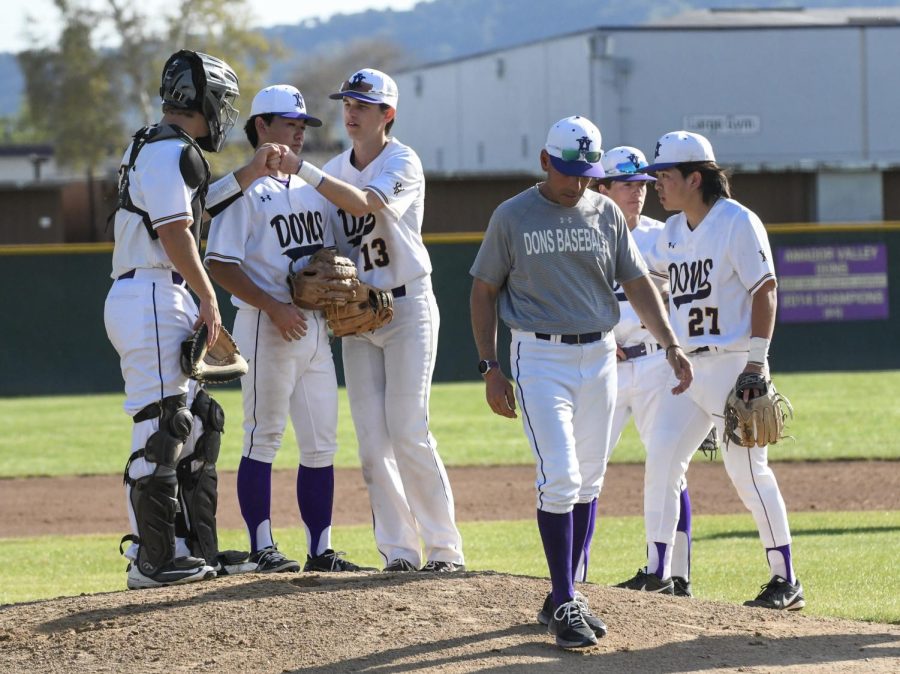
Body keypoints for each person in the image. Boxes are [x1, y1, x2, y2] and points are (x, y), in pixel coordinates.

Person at [208, 69, 465, 573]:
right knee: (369, 443)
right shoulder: (324, 173)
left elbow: (368, 204)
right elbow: (221, 218)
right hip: (350, 319)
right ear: (261, 126)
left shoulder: (394, 162)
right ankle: (397, 553)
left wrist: (301, 169)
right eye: (348, 102)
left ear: (387, 115)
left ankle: (444, 552)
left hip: (405, 303)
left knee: (408, 428)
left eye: (362, 105)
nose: (350, 112)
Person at [469, 116, 694, 648]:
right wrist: (489, 365)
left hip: (598, 353)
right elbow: (482, 291)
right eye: (569, 171)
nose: (577, 183)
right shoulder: (513, 215)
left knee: (590, 481)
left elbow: (638, 283)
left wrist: (670, 343)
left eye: (586, 173)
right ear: (546, 162)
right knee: (561, 478)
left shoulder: (605, 212)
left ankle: (560, 596)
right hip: (537, 353)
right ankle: (566, 597)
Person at [622, 130, 804, 610]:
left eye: (664, 175)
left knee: (746, 470)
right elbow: (643, 274)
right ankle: (659, 571)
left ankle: (786, 579)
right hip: (687, 370)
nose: (656, 184)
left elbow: (765, 289)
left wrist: (756, 365)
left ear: (695, 177)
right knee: (662, 456)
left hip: (732, 365)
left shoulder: (737, 222)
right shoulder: (673, 232)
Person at [204, 85, 371, 574]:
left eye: (303, 124)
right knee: (263, 438)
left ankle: (321, 550)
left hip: (316, 329)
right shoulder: (244, 190)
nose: (299, 131)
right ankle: (263, 547)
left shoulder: (310, 187)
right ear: (260, 126)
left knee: (322, 443)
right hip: (266, 326)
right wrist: (274, 307)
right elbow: (219, 262)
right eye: (288, 122)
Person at [104, 50, 255, 589]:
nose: (226, 112)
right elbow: (175, 231)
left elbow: (194, 210)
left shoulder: (162, 147)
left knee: (198, 422)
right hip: (150, 290)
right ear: (206, 100)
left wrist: (251, 173)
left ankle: (192, 547)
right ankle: (152, 558)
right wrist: (209, 297)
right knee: (162, 425)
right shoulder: (167, 153)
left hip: (160, 292)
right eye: (224, 101)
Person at [589, 146, 709, 598]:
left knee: (669, 466)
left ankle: (674, 576)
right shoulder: (588, 234)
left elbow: (691, 295)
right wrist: (602, 338)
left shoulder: (664, 236)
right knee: (587, 469)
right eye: (626, 183)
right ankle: (576, 575)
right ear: (602, 189)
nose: (637, 192)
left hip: (658, 362)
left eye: (642, 184)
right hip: (608, 363)